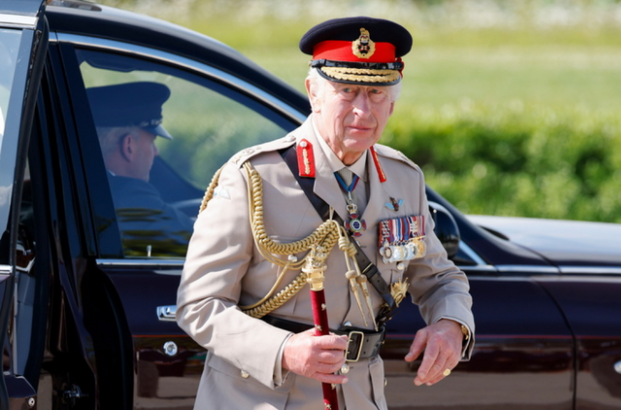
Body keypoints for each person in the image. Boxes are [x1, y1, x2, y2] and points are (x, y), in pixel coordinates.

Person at [176, 17, 475, 410]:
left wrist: (451, 325)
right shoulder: (254, 177)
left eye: (377, 93)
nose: (363, 110)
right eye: (347, 91)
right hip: (262, 398)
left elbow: (439, 278)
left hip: (361, 396)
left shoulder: (403, 178)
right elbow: (199, 305)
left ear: (392, 102)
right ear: (313, 93)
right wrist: (284, 349)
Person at [88, 82, 193, 257]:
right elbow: (206, 243)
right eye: (152, 142)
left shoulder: (79, 186)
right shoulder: (128, 197)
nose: (156, 152)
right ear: (129, 146)